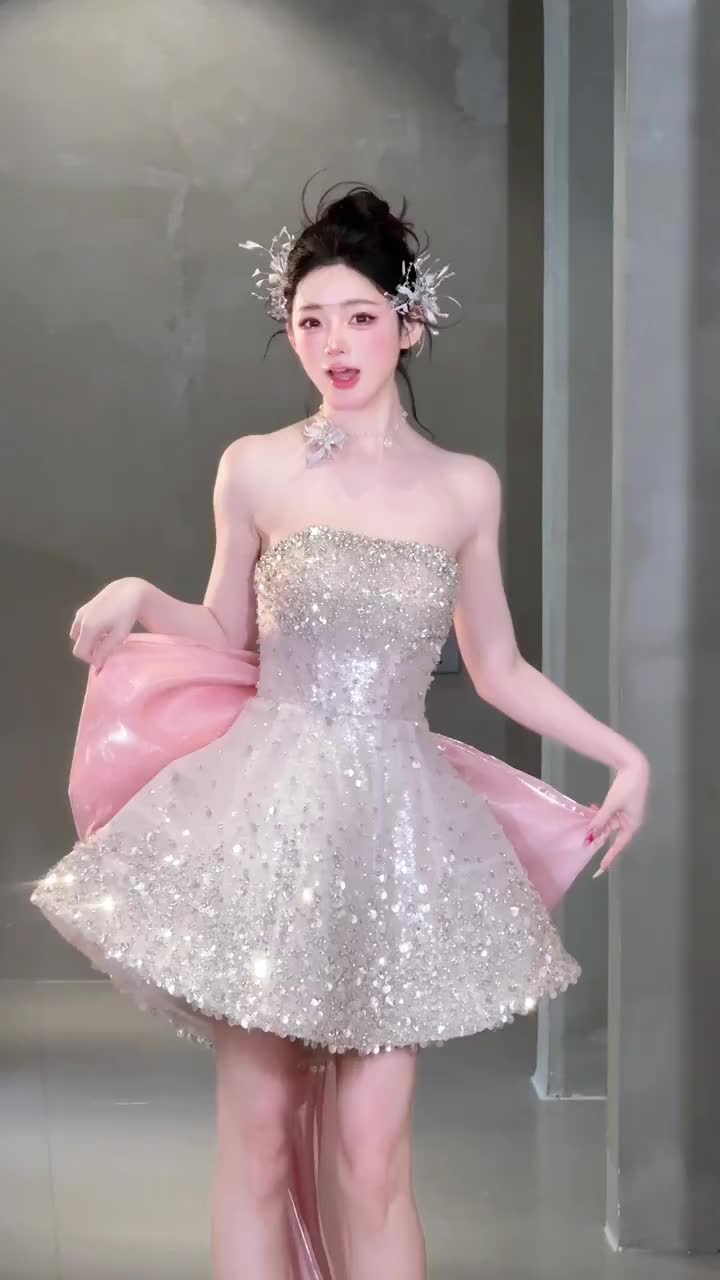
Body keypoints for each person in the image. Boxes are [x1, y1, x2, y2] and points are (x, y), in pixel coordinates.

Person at [31, 180, 651, 1280]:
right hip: (267, 824)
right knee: (259, 1140)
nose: (333, 343)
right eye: (310, 320)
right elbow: (225, 630)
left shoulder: (464, 489)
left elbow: (498, 667)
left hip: (397, 832)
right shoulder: (255, 466)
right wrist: (139, 593)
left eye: (359, 316)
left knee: (374, 1159)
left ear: (409, 325)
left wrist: (624, 752)